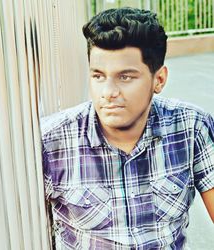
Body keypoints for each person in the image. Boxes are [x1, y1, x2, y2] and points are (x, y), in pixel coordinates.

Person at [41, 7, 214, 249]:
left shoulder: (191, 126)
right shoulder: (51, 141)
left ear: (159, 80)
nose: (108, 93)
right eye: (98, 76)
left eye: (125, 77)